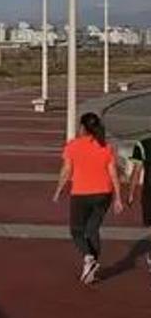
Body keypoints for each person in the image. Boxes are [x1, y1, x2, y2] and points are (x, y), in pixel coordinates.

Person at [54, 112, 124, 284]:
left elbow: (66, 170)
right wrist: (118, 198)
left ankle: (89, 257)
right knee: (92, 229)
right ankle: (91, 264)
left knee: (76, 230)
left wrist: (58, 190)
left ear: (83, 128)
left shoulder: (73, 146)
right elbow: (114, 174)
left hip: (81, 194)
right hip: (104, 194)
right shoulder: (105, 147)